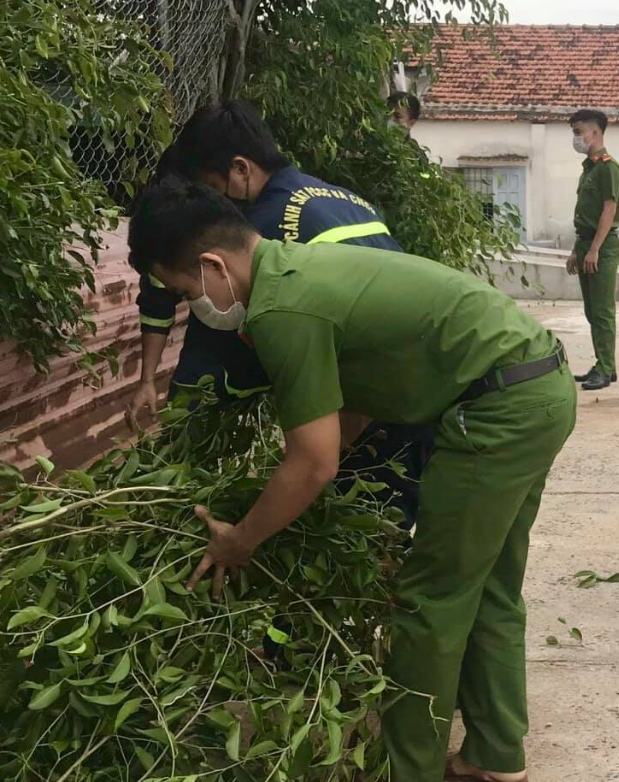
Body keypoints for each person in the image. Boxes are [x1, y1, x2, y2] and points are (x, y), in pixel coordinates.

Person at [128, 180, 576, 782]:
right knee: (488, 581)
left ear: (212, 266)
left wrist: (242, 539)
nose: (192, 305)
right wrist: (286, 487)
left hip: (496, 411)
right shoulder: (296, 267)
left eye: (183, 292)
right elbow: (350, 413)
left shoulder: (282, 309)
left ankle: (405, 772)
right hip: (537, 388)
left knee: (432, 593)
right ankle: (496, 752)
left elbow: (313, 464)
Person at [129, 100, 432, 530]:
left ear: (239, 169)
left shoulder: (261, 232)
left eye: (208, 188)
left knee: (363, 526)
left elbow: (224, 354)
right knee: (377, 522)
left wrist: (183, 436)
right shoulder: (340, 196)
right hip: (415, 384)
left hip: (387, 398)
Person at [565, 109, 619, 391]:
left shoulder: (609, 168)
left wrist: (595, 249)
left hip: (603, 245)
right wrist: (578, 249)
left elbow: (609, 210)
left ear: (595, 133)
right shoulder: (589, 169)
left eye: (578, 132)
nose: (576, 138)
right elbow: (585, 215)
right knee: (592, 310)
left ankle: (605, 367)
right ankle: (604, 364)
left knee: (602, 311)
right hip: (586, 242)